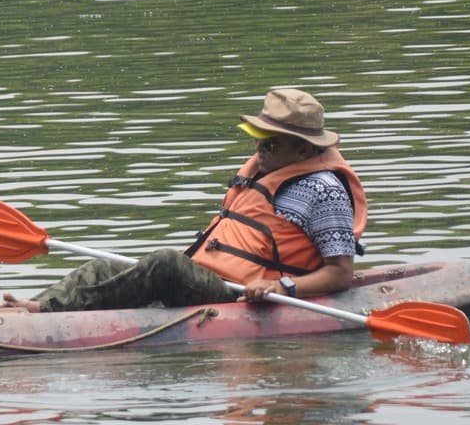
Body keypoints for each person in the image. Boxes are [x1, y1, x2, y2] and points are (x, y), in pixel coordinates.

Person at [20, 87, 366, 311]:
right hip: (213, 278)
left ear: (304, 148)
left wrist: (281, 287)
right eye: (258, 139)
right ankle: (29, 309)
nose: (259, 150)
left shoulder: (325, 191)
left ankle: (49, 315)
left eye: (270, 143)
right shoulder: (264, 172)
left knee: (166, 264)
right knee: (106, 267)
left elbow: (340, 274)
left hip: (243, 296)